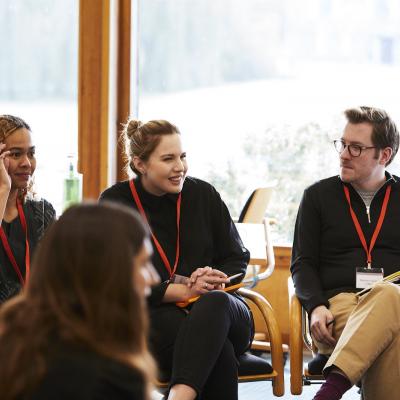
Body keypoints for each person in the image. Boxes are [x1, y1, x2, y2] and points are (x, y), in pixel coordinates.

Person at [100, 119, 262, 400]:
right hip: (156, 318)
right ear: (140, 164)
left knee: (216, 304)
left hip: (223, 309)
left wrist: (213, 278)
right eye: (168, 159)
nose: (180, 167)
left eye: (183, 156)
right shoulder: (116, 202)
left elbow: (237, 257)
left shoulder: (203, 194)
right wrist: (180, 291)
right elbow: (114, 281)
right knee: (217, 351)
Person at [291, 106, 400, 400]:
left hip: (394, 303)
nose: (343, 154)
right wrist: (314, 306)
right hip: (338, 307)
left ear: (384, 155)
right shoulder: (317, 196)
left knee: (389, 297)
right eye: (342, 144)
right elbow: (302, 264)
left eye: (356, 148)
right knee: (393, 325)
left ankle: (330, 391)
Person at [0, 202, 158, 400]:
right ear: (107, 274)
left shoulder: (14, 344)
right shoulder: (114, 378)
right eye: (144, 264)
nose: (154, 277)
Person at [0, 114, 55, 302]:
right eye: (16, 154)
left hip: (33, 322)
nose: (27, 163)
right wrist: (3, 189)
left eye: (31, 153)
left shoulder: (42, 212)